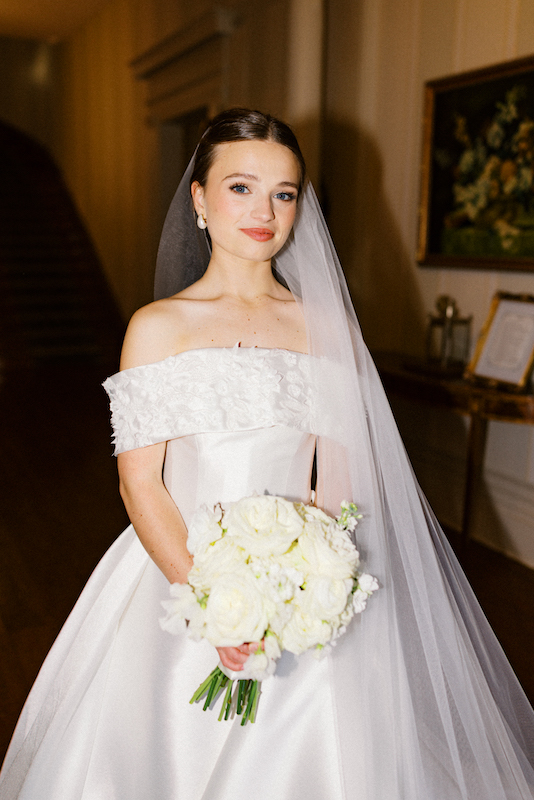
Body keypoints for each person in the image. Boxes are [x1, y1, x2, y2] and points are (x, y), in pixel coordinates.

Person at [1, 108, 533, 799]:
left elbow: (337, 484)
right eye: (241, 188)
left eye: (284, 193)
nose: (266, 211)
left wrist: (311, 581)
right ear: (199, 197)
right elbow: (141, 488)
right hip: (178, 576)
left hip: (302, 582)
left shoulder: (325, 325)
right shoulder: (158, 328)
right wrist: (216, 603)